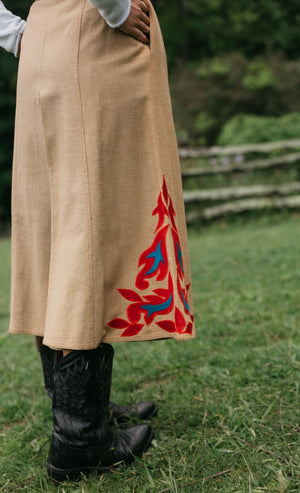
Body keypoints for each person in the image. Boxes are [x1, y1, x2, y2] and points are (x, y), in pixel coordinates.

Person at [0, 0, 195, 483]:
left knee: (58, 220)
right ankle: (79, 436)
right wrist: (114, 8)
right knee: (91, 222)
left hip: (47, 38)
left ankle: (85, 406)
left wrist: (15, 32)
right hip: (93, 39)